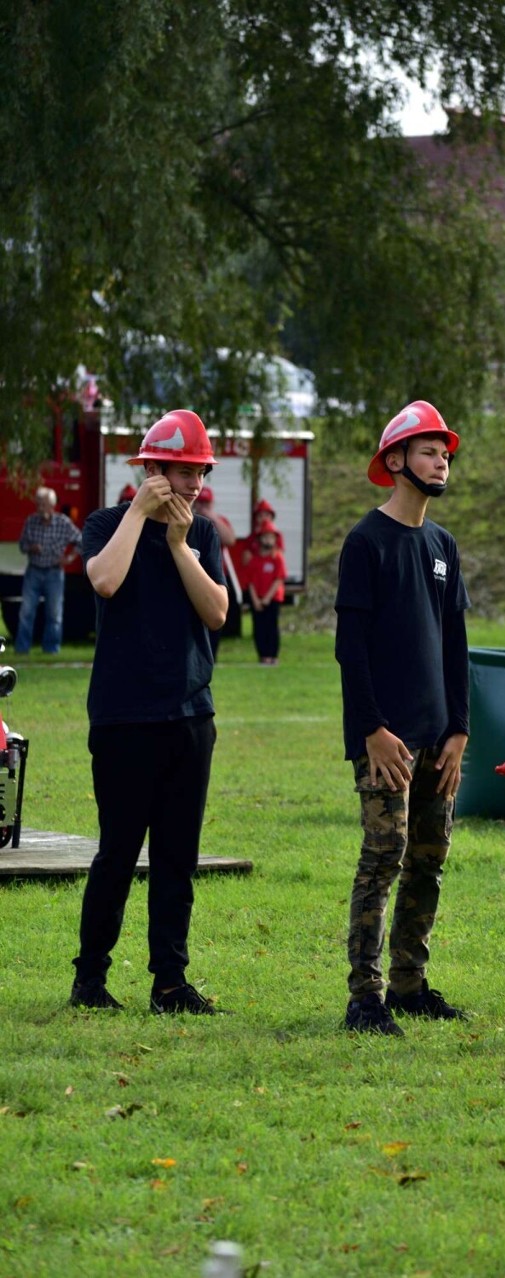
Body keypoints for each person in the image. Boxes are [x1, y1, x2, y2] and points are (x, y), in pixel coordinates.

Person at [70, 409, 229, 1015]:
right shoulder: (107, 523)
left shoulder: (202, 534)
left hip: (190, 718)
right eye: (183, 472)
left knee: (176, 858)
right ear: (152, 470)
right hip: (123, 719)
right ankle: (89, 980)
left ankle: (170, 983)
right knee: (117, 853)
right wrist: (139, 514)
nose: (194, 485)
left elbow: (216, 614)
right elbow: (104, 582)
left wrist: (179, 545)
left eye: (200, 472)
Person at [335, 400, 471, 1036]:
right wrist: (371, 731)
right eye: (427, 451)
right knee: (383, 857)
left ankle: (411, 985)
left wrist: (460, 730)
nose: (441, 459)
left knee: (429, 857)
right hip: (384, 740)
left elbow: (455, 645)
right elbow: (350, 650)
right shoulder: (365, 542)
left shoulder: (444, 546)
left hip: (437, 738)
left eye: (444, 452)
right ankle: (365, 997)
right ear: (395, 461)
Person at [14, 487, 83, 655]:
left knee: (54, 613)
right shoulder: (31, 521)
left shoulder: (63, 522)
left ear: (52, 505)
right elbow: (22, 546)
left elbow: (81, 540)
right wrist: (31, 547)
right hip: (34, 571)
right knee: (26, 611)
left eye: (43, 504)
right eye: (38, 504)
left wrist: (69, 558)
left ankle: (51, 649)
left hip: (54, 572)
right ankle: (22, 649)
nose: (39, 508)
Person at [194, 486, 242, 658]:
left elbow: (230, 539)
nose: (202, 507)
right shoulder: (187, 519)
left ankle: (211, 655)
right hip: (195, 574)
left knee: (215, 616)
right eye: (200, 503)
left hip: (215, 574)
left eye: (206, 503)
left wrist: (211, 516)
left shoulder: (218, 521)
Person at [245, 519, 286, 664]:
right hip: (258, 599)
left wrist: (268, 598)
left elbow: (278, 579)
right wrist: (255, 599)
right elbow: (250, 581)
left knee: (272, 627)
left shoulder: (277, 558)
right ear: (260, 538)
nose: (268, 540)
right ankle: (262, 655)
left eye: (271, 537)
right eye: (265, 536)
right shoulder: (255, 560)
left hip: (272, 598)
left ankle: (273, 656)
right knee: (259, 628)